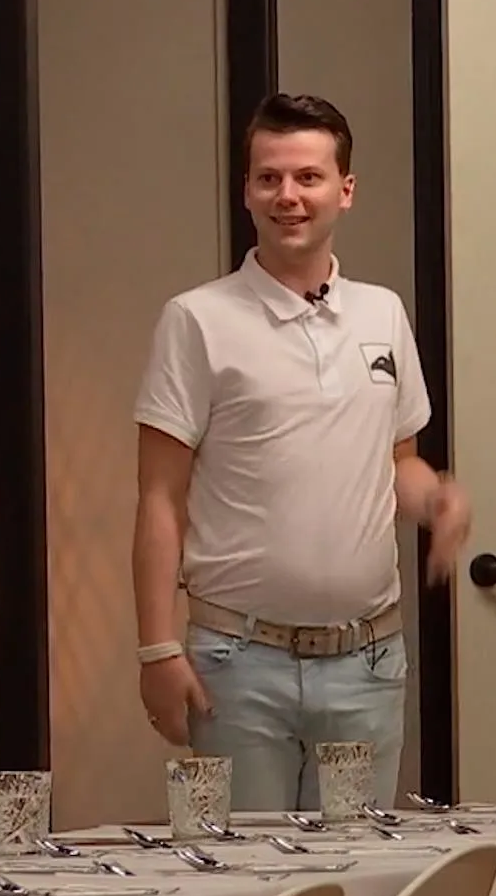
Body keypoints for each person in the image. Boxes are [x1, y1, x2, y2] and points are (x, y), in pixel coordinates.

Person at [130, 93, 471, 812]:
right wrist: (157, 649)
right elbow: (160, 497)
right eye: (269, 178)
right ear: (247, 191)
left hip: (369, 663)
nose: (288, 196)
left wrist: (436, 499)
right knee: (251, 873)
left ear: (345, 190)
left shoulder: (383, 313)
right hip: (238, 664)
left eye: (308, 177)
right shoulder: (196, 320)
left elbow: (397, 462)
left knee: (360, 870)